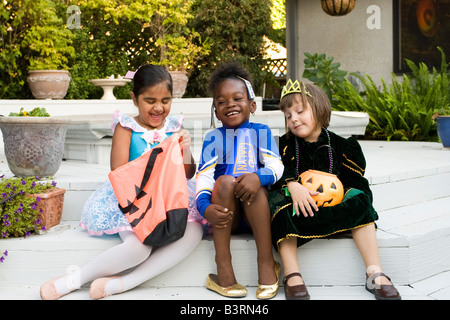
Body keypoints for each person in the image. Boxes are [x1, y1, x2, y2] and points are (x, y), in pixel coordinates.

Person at [40, 65, 205, 300]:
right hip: (134, 198)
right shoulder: (126, 127)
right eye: (150, 100)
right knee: (139, 247)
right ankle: (73, 280)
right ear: (134, 99)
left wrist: (184, 148)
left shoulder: (174, 128)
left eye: (166, 100)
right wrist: (157, 155)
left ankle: (125, 283)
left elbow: (188, 173)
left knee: (194, 231)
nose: (159, 107)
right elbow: (118, 170)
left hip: (168, 197)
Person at [269, 80, 401, 300]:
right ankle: (293, 274)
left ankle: (374, 272)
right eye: (288, 115)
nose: (293, 119)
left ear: (319, 108)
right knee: (279, 206)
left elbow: (355, 181)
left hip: (334, 207)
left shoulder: (342, 146)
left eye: (299, 111)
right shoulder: (284, 145)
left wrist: (345, 196)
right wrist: (293, 185)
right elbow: (279, 170)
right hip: (299, 210)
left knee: (360, 199)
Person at [195, 62, 284, 299]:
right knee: (224, 181)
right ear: (215, 111)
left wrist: (258, 177)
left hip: (258, 212)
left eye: (237, 98)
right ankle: (223, 269)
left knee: (251, 182)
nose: (230, 105)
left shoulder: (261, 131)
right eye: (221, 102)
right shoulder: (213, 138)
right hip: (228, 216)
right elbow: (203, 176)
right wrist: (205, 208)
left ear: (252, 105)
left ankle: (266, 263)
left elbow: (276, 166)